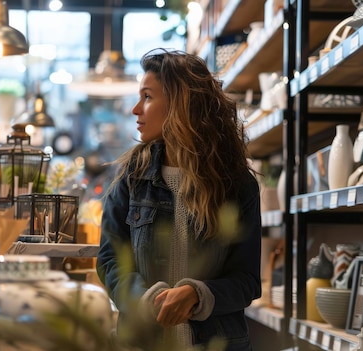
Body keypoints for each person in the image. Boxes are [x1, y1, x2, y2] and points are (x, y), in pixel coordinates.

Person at [96, 48, 262, 351]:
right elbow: (109, 261)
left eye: (147, 96)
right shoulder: (131, 179)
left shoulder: (236, 185)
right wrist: (144, 300)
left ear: (180, 104)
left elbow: (247, 280)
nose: (136, 109)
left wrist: (198, 294)